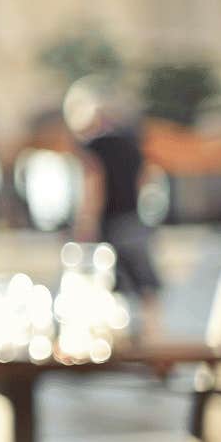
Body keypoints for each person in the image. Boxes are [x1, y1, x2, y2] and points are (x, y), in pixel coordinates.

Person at [65, 78, 163, 339]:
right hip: (133, 218)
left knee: (104, 279)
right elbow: (146, 178)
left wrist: (85, 222)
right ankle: (153, 335)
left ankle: (108, 336)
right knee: (144, 282)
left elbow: (94, 184)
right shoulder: (131, 144)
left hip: (109, 222)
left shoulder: (94, 147)